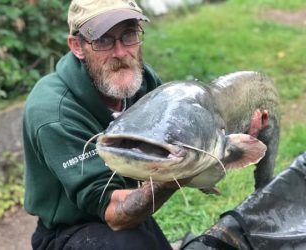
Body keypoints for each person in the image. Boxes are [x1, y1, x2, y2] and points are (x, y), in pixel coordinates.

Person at [22, 0, 186, 249]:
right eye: (103, 40)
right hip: (69, 230)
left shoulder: (140, 82)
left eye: (128, 35)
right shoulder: (53, 111)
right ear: (77, 46)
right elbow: (112, 210)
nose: (120, 53)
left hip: (131, 214)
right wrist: (181, 171)